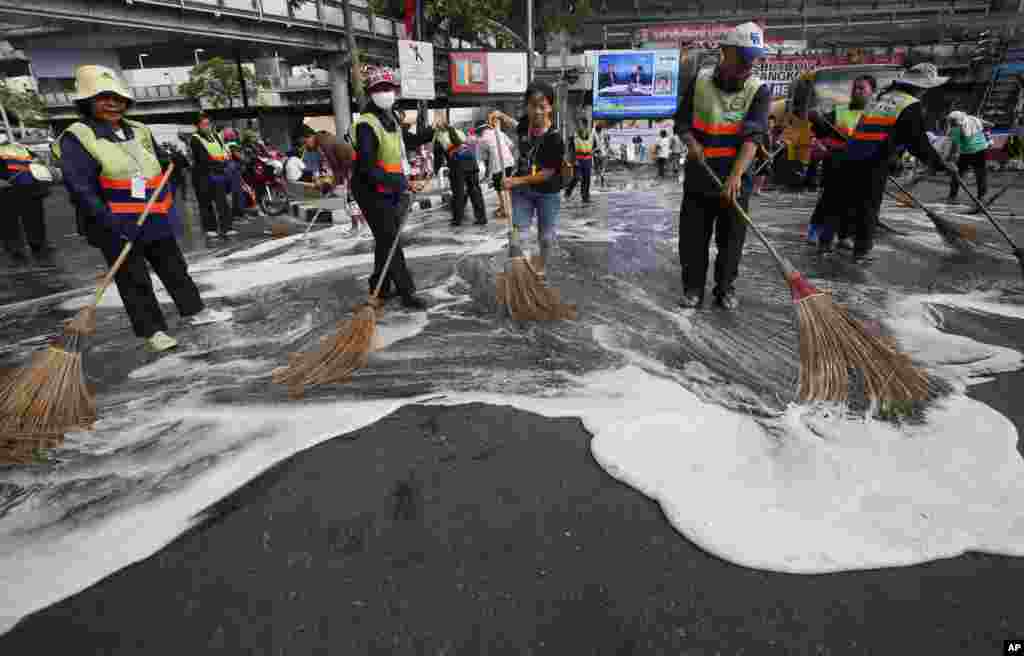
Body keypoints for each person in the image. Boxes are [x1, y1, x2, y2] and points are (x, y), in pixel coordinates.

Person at [56, 65, 229, 353]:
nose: (113, 104)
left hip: (152, 215)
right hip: (113, 222)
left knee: (174, 268)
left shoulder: (139, 129)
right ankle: (152, 330)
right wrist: (108, 221)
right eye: (104, 97)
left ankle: (195, 311)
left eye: (118, 98)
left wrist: (173, 161)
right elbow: (80, 187)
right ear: (88, 101)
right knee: (133, 277)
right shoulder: (79, 136)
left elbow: (156, 163)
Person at [674, 22, 771, 310]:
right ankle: (692, 289)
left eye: (753, 59)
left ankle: (725, 288)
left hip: (734, 180)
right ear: (725, 52)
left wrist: (736, 176)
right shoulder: (701, 80)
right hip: (700, 177)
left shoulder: (758, 90)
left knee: (731, 241)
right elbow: (681, 122)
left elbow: (754, 137)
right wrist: (692, 144)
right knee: (693, 239)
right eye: (743, 57)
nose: (748, 65)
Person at [825, 63, 953, 262]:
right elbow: (917, 142)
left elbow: (879, 131)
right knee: (869, 205)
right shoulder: (910, 104)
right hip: (873, 160)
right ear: (921, 88)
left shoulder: (880, 99)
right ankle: (861, 251)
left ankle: (839, 239)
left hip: (851, 155)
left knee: (849, 200)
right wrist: (939, 164)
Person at [348, 67, 433, 308]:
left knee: (386, 239)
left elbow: (405, 141)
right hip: (369, 189)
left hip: (389, 187)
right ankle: (407, 293)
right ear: (369, 93)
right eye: (377, 89)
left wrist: (430, 133)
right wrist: (402, 182)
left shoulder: (391, 117)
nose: (384, 93)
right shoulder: (366, 124)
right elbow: (368, 166)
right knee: (391, 239)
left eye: (388, 88)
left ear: (395, 91)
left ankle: (379, 287)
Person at [490, 81, 565, 278]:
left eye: (543, 106)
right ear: (527, 106)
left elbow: (547, 173)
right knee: (520, 235)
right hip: (523, 193)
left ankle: (541, 267)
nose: (538, 111)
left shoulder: (555, 138)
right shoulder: (526, 122)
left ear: (551, 107)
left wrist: (515, 181)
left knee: (546, 237)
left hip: (548, 192)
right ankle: (521, 273)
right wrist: (500, 116)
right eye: (533, 106)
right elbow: (517, 127)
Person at [806, 74, 876, 251]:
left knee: (853, 203)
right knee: (829, 201)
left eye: (862, 88)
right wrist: (816, 120)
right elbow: (822, 131)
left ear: (872, 92)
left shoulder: (874, 115)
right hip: (835, 163)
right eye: (855, 88)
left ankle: (844, 235)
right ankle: (817, 233)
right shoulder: (839, 110)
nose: (856, 91)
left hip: (860, 165)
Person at [0, 132, 55, 266]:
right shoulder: (17, 147)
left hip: (27, 188)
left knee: (30, 219)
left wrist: (37, 161)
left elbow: (38, 161)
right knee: (10, 221)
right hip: (9, 188)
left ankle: (36, 248)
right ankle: (18, 250)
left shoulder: (19, 147)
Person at [434, 115, 486, 226]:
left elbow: (438, 157)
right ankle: (481, 218)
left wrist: (436, 169)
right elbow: (465, 144)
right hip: (470, 160)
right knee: (475, 191)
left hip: (458, 163)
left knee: (458, 192)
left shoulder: (438, 137)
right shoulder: (459, 131)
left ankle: (457, 220)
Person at [190, 113, 234, 239]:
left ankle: (227, 227)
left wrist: (226, 161)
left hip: (217, 173)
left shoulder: (215, 136)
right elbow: (204, 158)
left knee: (222, 202)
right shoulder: (195, 139)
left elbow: (224, 151)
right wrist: (221, 163)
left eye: (208, 124)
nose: (207, 127)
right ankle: (210, 229)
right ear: (198, 126)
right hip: (202, 176)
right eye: (204, 124)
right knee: (205, 203)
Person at [945, 110, 990, 208]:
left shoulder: (956, 128)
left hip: (968, 152)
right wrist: (988, 128)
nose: (951, 123)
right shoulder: (972, 119)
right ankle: (982, 197)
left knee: (957, 174)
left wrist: (948, 158)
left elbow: (955, 146)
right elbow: (987, 123)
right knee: (981, 174)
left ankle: (952, 196)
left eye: (952, 121)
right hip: (981, 149)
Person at [479, 117, 515, 220]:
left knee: (500, 188)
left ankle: (504, 209)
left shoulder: (483, 139)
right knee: (507, 185)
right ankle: (507, 207)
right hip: (509, 162)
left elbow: (484, 157)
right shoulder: (499, 132)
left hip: (497, 165)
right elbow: (511, 145)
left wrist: (487, 174)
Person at [564, 120, 594, 203]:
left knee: (587, 179)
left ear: (585, 125)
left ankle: (585, 197)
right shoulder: (574, 136)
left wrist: (594, 154)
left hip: (587, 160)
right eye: (578, 125)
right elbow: (570, 149)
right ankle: (568, 191)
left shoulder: (590, 135)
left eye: (580, 125)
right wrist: (572, 160)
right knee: (577, 177)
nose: (578, 126)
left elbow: (593, 147)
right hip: (578, 160)